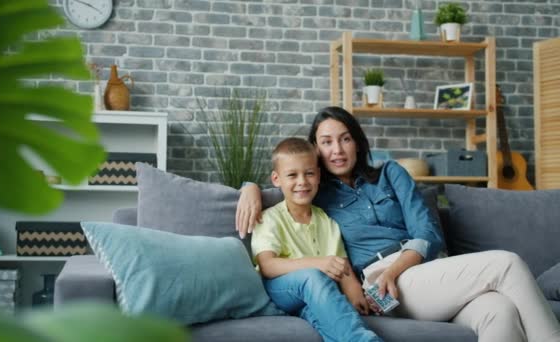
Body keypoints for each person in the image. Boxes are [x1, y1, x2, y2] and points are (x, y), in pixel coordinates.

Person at [238, 106, 560, 342]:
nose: (337, 150)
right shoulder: (316, 191)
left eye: (345, 139)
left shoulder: (391, 173)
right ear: (316, 152)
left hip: (424, 272)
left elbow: (427, 232)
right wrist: (248, 188)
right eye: (326, 142)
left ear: (358, 142)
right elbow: (283, 185)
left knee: (498, 310)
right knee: (506, 263)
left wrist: (396, 269)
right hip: (383, 286)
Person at [251, 137, 382, 342]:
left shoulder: (326, 221)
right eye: (292, 175)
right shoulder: (270, 218)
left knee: (330, 324)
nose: (302, 181)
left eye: (309, 173)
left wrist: (357, 295)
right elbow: (267, 266)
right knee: (313, 276)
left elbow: (342, 267)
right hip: (280, 290)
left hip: (314, 297)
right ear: (277, 179)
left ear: (319, 175)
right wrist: (318, 264)